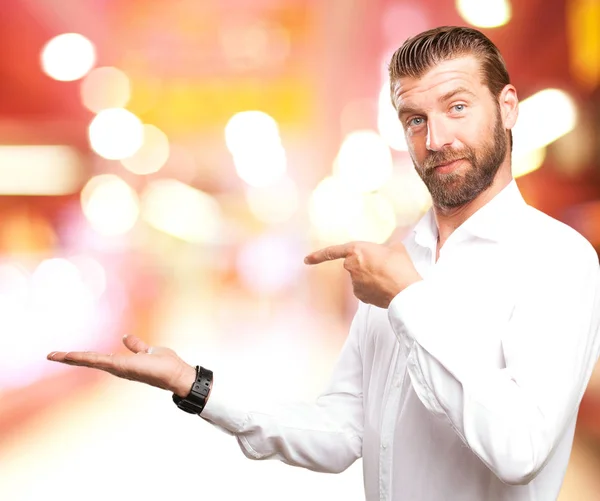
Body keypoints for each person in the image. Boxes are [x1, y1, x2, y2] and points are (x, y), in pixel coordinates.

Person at [47, 26, 600, 501]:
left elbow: (518, 448)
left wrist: (410, 299)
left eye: (457, 106)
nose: (436, 139)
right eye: (413, 119)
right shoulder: (400, 259)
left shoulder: (556, 261)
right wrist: (194, 386)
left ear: (507, 108)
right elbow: (340, 433)